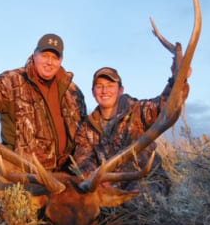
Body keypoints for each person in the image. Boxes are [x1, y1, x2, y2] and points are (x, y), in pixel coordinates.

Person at [0, 33, 87, 171]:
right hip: (25, 175)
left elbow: (83, 136)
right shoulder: (12, 81)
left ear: (61, 60)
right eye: (45, 56)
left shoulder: (73, 92)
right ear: (34, 55)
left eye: (55, 58)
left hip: (67, 175)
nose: (49, 62)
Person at [73, 66, 190, 194]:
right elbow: (83, 161)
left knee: (136, 202)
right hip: (107, 187)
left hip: (146, 179)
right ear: (93, 92)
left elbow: (166, 105)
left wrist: (178, 80)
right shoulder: (87, 127)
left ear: (121, 90)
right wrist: (97, 180)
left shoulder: (138, 111)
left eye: (110, 85)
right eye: (99, 86)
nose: (104, 90)